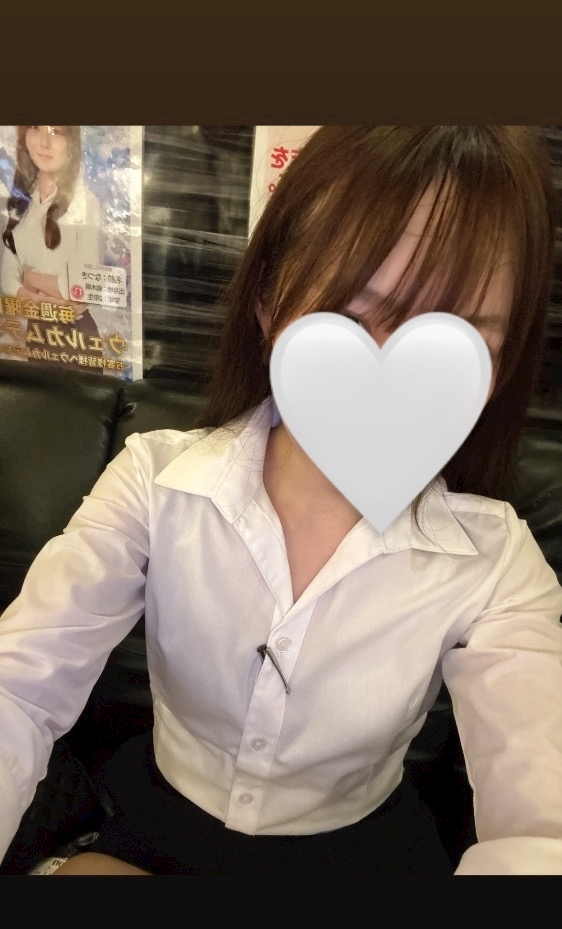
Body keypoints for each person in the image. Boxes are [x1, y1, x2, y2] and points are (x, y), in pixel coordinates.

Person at [1, 125, 562, 877]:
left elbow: (541, 815)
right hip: (162, 817)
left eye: (457, 339)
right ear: (270, 301)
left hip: (360, 853)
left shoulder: (497, 564)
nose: (390, 380)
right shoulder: (153, 483)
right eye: (353, 318)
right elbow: (21, 682)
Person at [1, 125, 103, 368]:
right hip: (36, 332)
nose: (44, 142)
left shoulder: (85, 203)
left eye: (55, 131)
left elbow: (82, 285)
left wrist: (31, 278)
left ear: (71, 142)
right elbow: (7, 278)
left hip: (75, 337)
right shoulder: (20, 204)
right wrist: (52, 304)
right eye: (36, 128)